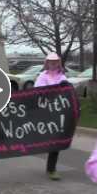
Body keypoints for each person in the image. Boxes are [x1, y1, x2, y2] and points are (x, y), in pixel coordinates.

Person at [34, 52, 68, 181]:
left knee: (56, 140)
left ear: (58, 62)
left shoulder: (62, 76)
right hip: (46, 111)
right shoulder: (42, 76)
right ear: (46, 63)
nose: (53, 64)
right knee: (47, 138)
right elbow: (37, 91)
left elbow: (67, 91)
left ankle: (51, 169)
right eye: (50, 61)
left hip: (58, 112)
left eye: (55, 61)